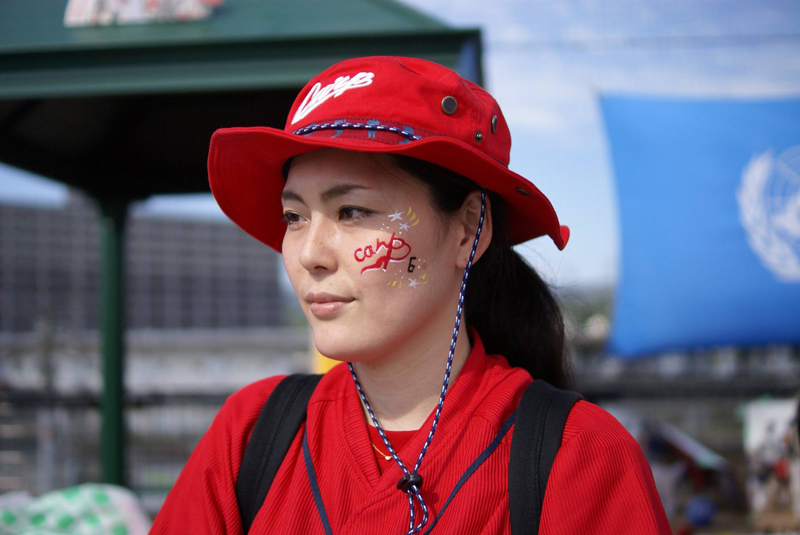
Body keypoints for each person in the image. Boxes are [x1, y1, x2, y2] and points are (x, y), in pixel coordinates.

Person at [150, 56, 671, 534]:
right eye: (294, 216)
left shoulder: (578, 458)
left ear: (467, 230)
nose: (310, 254)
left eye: (352, 211)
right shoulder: (253, 435)